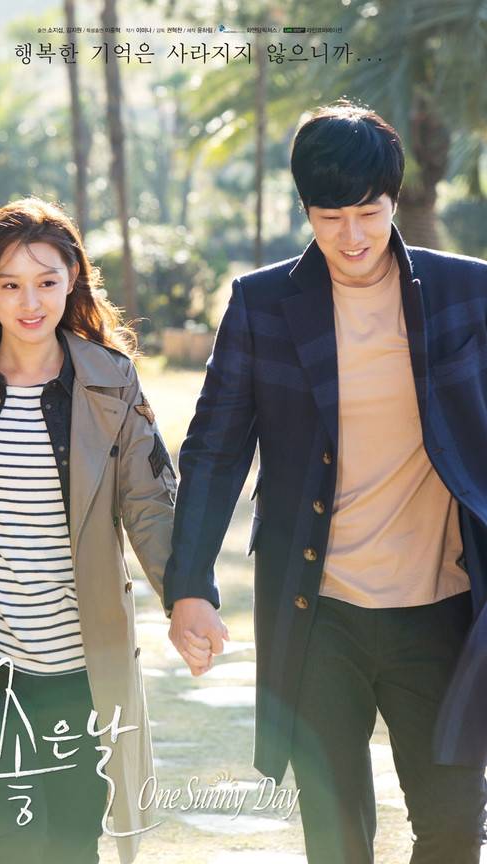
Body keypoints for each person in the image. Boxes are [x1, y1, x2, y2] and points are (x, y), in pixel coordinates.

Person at [164, 100, 487, 863]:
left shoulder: (467, 294)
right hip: (318, 615)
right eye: (329, 216)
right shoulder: (262, 304)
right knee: (337, 840)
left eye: (368, 213)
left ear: (394, 200)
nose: (352, 237)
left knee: (452, 830)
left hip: (442, 611)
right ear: (305, 210)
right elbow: (214, 450)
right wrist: (189, 586)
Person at [0, 197, 192, 864]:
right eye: (10, 285)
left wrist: (187, 598)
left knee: (75, 835)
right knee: (15, 834)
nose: (31, 302)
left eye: (47, 281)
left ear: (72, 279)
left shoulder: (109, 383)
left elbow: (149, 503)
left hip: (80, 664)